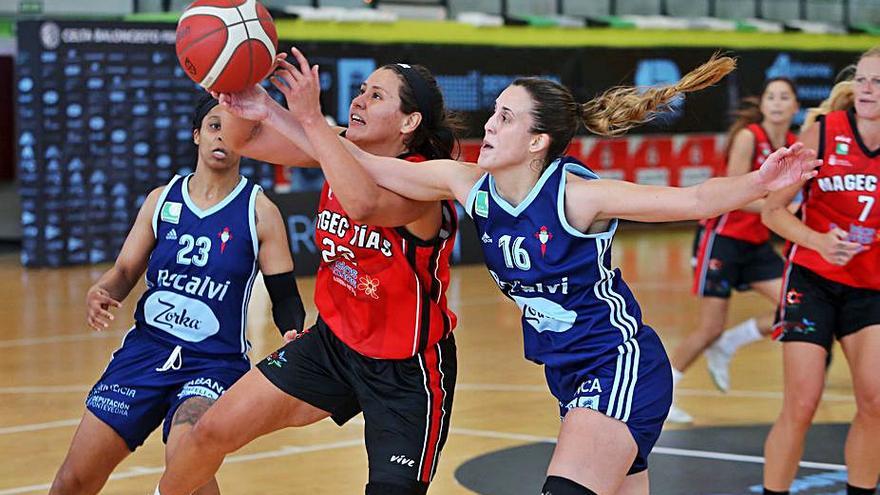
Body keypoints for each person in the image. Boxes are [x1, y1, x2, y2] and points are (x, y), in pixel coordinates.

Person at [256, 49, 820, 495]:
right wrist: (272, 113)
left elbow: (695, 199)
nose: (490, 124)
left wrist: (757, 183)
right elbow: (363, 161)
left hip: (616, 364)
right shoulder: (469, 186)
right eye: (494, 112)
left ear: (537, 141)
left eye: (505, 117)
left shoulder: (576, 197)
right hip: (568, 376)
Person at [158, 60, 462, 495]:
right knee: (209, 431)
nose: (358, 99)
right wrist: (239, 88)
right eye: (361, 89)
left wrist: (309, 119)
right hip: (333, 344)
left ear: (409, 122)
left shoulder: (424, 184)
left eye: (377, 96)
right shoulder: (334, 144)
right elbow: (247, 137)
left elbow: (363, 204)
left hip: (406, 369)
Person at [49, 96, 304, 495]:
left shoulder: (259, 211)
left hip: (213, 363)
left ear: (248, 140)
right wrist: (103, 290)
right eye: (214, 126)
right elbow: (125, 271)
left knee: (188, 459)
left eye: (234, 128)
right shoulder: (162, 199)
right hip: (145, 353)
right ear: (196, 135)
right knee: (73, 480)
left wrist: (292, 331)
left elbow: (285, 295)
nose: (222, 136)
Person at [761, 46, 880, 495]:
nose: (867, 89)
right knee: (802, 401)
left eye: (878, 82)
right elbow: (773, 212)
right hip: (812, 278)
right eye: (863, 79)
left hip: (871, 287)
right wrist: (819, 242)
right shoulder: (823, 133)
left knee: (876, 402)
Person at [667, 78, 800, 423]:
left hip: (757, 243)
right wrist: (780, 210)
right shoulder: (748, 137)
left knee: (796, 306)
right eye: (771, 96)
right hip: (723, 239)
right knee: (708, 327)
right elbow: (736, 196)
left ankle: (731, 343)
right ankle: (660, 397)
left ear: (795, 107)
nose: (777, 102)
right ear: (762, 104)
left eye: (785, 97)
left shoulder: (790, 144)